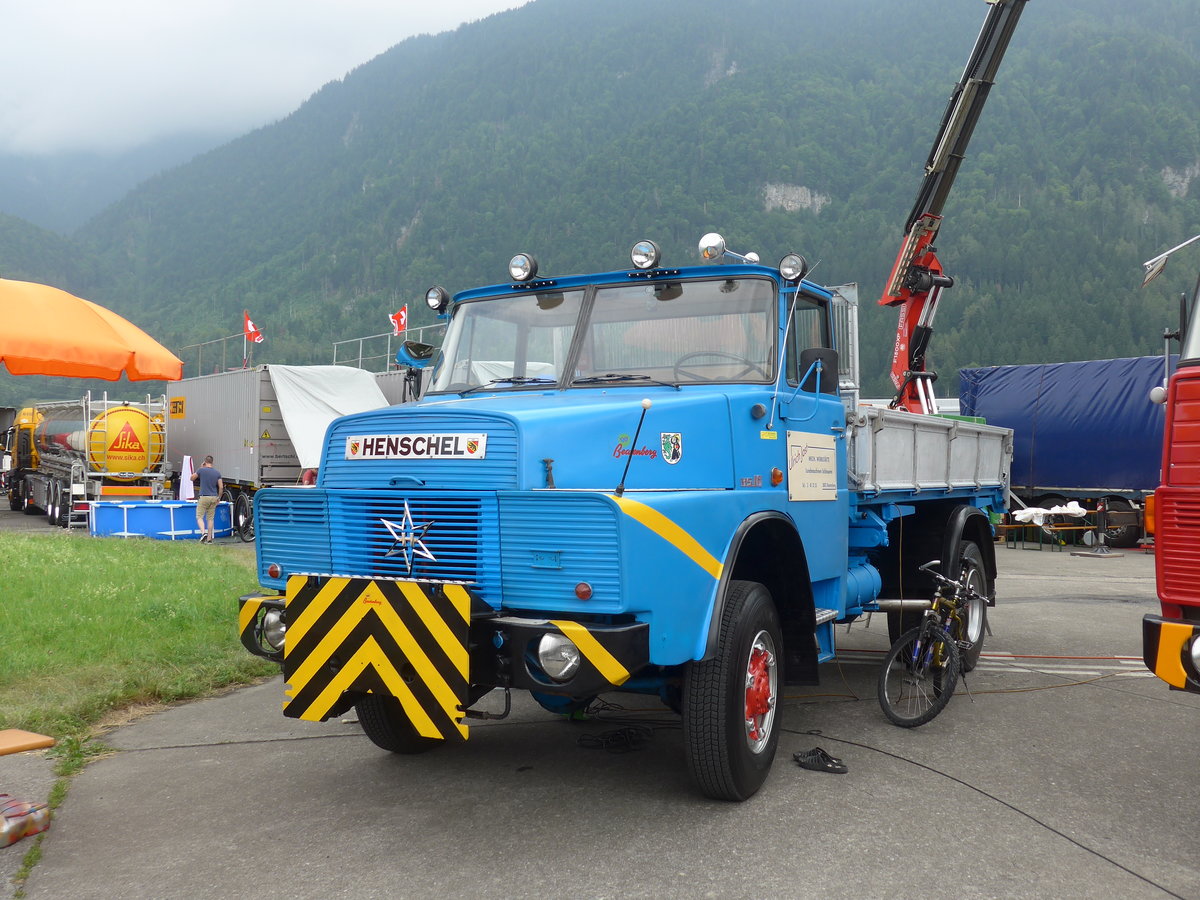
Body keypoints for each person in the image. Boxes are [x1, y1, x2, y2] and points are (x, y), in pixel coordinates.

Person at [191, 455, 223, 543]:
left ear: (205, 462)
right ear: (212, 462)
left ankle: (203, 533)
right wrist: (219, 498)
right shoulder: (217, 473)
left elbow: (192, 478)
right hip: (214, 497)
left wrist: (200, 468)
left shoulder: (201, 470)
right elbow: (221, 487)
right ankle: (209, 538)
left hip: (204, 496)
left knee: (199, 516)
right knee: (210, 518)